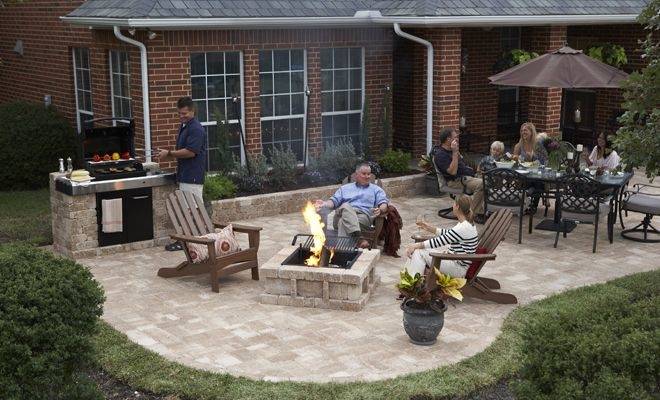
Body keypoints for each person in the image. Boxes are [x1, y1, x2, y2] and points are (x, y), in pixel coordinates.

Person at [159, 96, 207, 251]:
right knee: (188, 207)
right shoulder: (185, 125)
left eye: (184, 113)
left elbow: (191, 152)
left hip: (193, 175)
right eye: (179, 113)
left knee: (193, 208)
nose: (181, 116)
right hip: (185, 174)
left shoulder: (196, 129)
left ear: (193, 111)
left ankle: (191, 241)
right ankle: (192, 239)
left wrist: (169, 154)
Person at [314, 163, 389, 247]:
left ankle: (342, 250)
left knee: (343, 221)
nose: (367, 176)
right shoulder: (345, 188)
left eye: (369, 174)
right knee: (346, 206)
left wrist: (381, 209)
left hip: (363, 217)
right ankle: (359, 238)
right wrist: (325, 203)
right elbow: (334, 201)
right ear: (356, 175)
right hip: (344, 213)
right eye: (364, 174)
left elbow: (383, 203)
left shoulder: (376, 189)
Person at [404, 196, 479, 278]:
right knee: (418, 250)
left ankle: (413, 282)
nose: (453, 206)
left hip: (457, 268)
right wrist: (429, 228)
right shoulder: (466, 224)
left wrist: (415, 245)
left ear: (457, 207)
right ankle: (410, 279)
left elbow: (439, 241)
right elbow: (449, 234)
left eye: (454, 203)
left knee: (419, 252)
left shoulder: (463, 227)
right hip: (453, 262)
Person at [433, 127, 485, 221]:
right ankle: (472, 214)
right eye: (455, 137)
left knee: (489, 179)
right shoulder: (440, 155)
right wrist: (454, 152)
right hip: (456, 181)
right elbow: (453, 172)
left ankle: (481, 210)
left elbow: (463, 165)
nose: (457, 139)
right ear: (448, 139)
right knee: (482, 184)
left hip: (468, 177)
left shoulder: (452, 150)